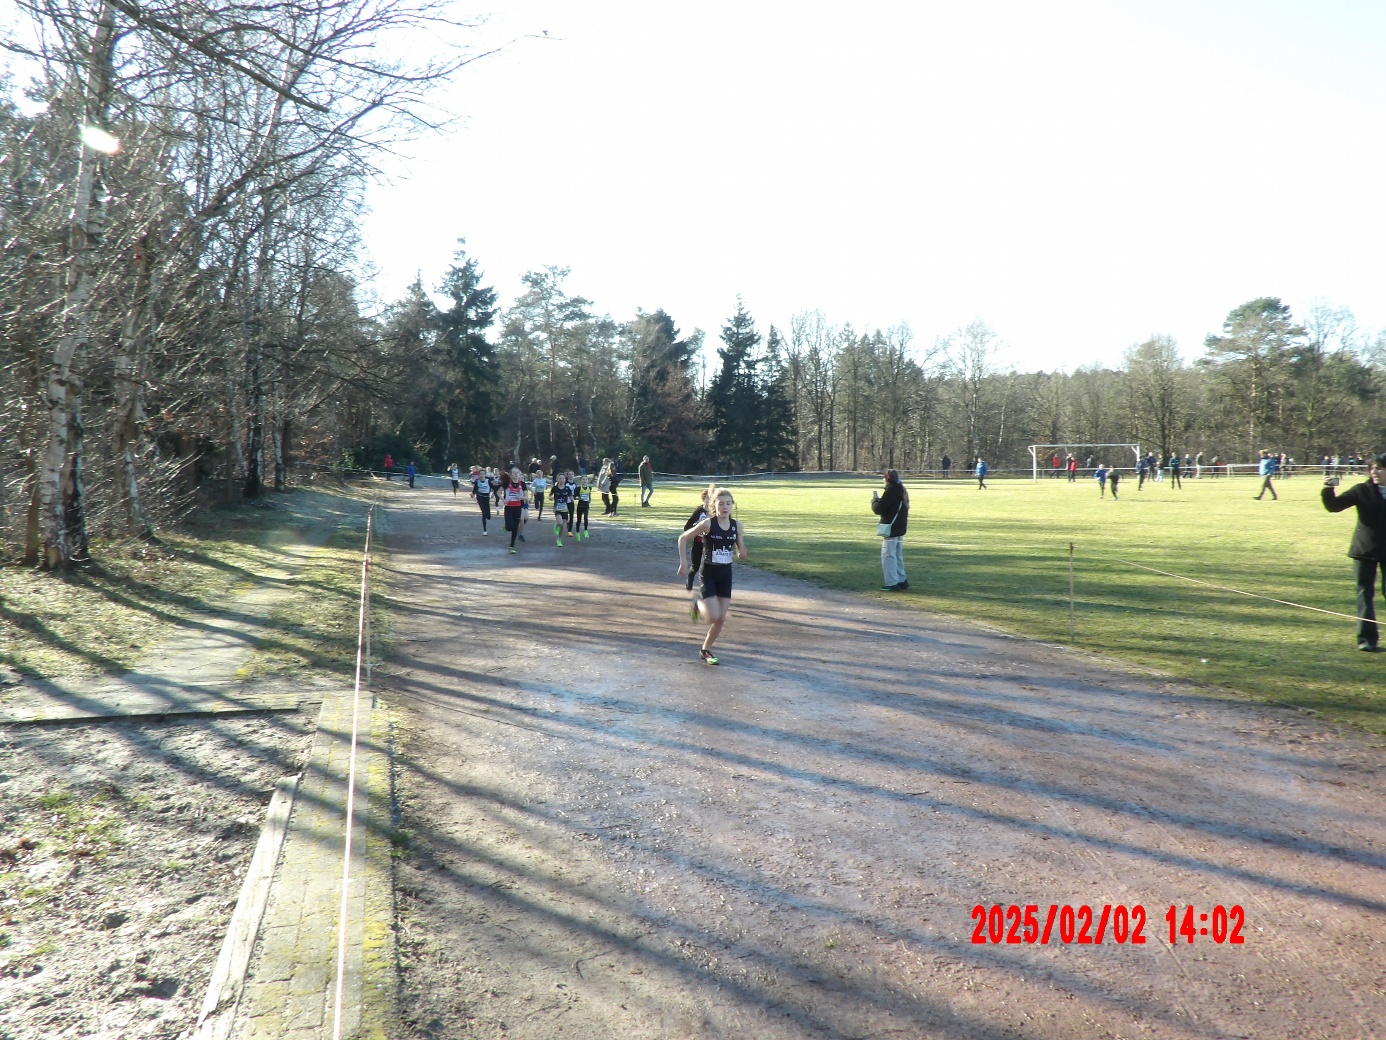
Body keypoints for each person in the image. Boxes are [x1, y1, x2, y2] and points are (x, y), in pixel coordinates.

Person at [1321, 454, 1386, 651]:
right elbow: (1334, 506)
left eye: (1380, 468)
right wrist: (1327, 490)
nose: (1375, 472)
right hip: (1364, 549)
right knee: (1364, 593)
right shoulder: (1362, 490)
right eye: (1373, 468)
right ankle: (1367, 639)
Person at [677, 486, 747, 665]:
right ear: (714, 506)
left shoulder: (737, 526)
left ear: (732, 505)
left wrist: (742, 552)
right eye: (721, 503)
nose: (725, 507)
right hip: (708, 574)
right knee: (713, 617)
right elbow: (683, 538)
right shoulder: (708, 524)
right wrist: (684, 563)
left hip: (726, 574)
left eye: (728, 503)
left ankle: (705, 649)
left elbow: (741, 549)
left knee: (720, 620)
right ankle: (697, 603)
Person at [872, 469, 909, 591]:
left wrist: (875, 501)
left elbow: (879, 509)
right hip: (899, 527)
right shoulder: (902, 489)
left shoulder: (891, 491)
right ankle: (902, 579)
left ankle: (892, 582)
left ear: (887, 479)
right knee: (897, 555)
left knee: (888, 556)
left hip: (891, 528)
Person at [682, 489, 710, 592]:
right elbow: (687, 527)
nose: (710, 500)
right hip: (698, 542)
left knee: (709, 566)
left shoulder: (716, 512)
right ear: (704, 499)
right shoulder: (699, 511)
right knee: (696, 565)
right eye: (708, 498)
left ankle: (706, 587)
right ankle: (690, 576)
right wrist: (696, 528)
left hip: (710, 544)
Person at [502, 468, 527, 553]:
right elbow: (498, 492)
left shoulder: (522, 484)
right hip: (508, 507)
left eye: (517, 473)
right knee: (510, 527)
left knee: (515, 527)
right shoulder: (507, 483)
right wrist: (503, 499)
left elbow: (526, 497)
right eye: (514, 473)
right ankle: (506, 526)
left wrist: (521, 497)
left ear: (520, 474)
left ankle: (512, 546)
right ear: (511, 475)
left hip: (517, 507)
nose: (516, 475)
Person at [551, 471, 575, 545]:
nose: (561, 480)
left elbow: (571, 497)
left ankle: (559, 539)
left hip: (565, 508)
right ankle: (556, 525)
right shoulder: (554, 488)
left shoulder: (567, 488)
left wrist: (572, 499)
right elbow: (550, 495)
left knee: (563, 526)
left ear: (565, 479)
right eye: (560, 478)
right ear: (557, 479)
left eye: (563, 478)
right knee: (560, 523)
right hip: (557, 508)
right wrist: (550, 497)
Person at [470, 466, 492, 534]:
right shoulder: (477, 481)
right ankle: (485, 530)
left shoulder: (488, 481)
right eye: (480, 474)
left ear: (485, 475)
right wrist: (472, 494)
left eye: (483, 474)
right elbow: (474, 490)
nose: (482, 475)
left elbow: (493, 487)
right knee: (483, 513)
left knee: (488, 516)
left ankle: (487, 515)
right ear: (479, 475)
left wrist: (493, 494)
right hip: (480, 498)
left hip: (486, 498)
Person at [574, 472, 592, 540]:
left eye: (586, 479)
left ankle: (585, 530)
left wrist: (589, 500)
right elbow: (574, 496)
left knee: (586, 518)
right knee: (579, 520)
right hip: (580, 506)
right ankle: (577, 532)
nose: (584, 481)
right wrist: (578, 498)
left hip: (586, 505)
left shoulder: (589, 488)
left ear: (587, 481)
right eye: (583, 479)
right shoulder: (578, 488)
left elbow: (589, 495)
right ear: (580, 480)